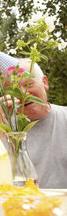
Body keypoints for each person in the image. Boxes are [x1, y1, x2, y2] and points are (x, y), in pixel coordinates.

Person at [16, 59, 67, 189]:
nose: (23, 94)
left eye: (29, 84)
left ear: (44, 82)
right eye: (13, 90)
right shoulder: (0, 130)